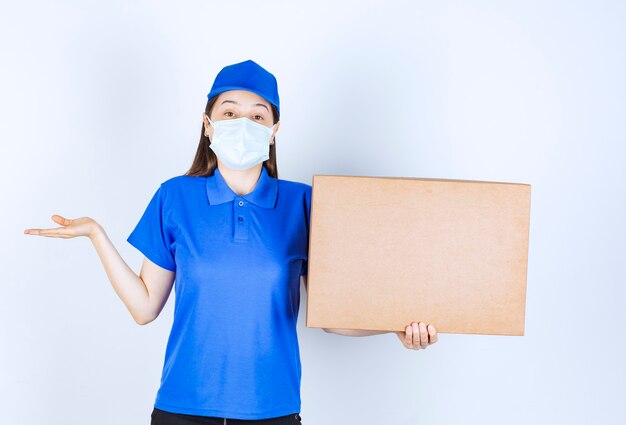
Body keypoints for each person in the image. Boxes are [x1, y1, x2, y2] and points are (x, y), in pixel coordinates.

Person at [23, 59, 438, 424]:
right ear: (208, 125)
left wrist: (395, 326)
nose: (243, 124)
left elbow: (330, 315)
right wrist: (97, 235)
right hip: (181, 408)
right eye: (230, 112)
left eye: (258, 116)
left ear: (274, 131)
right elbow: (145, 307)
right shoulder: (175, 197)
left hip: (272, 411)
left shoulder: (305, 203)